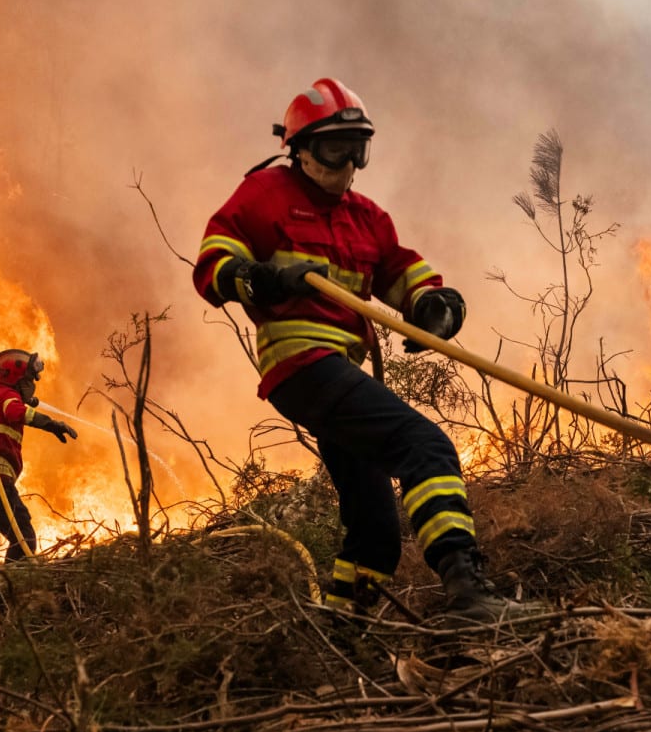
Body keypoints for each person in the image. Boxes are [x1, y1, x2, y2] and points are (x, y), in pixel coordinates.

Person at [193, 77, 513, 619]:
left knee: (375, 528)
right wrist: (263, 278)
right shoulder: (263, 195)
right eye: (334, 148)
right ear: (300, 150)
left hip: (340, 368)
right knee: (423, 445)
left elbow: (402, 272)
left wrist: (436, 306)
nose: (346, 164)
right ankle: (467, 588)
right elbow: (212, 267)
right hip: (301, 364)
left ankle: (342, 630)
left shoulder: (367, 217)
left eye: (357, 149)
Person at [0, 349, 77, 561]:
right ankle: (12, 588)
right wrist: (51, 424)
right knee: (23, 539)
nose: (32, 384)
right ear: (15, 378)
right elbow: (16, 412)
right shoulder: (7, 395)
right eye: (30, 379)